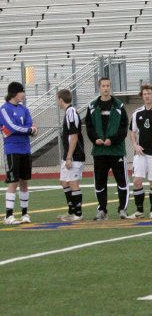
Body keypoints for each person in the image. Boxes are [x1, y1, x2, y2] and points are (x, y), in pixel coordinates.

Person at [87, 77, 130, 220]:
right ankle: (102, 210)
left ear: (111, 87)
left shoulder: (119, 106)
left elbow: (124, 128)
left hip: (116, 150)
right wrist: (95, 139)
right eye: (103, 85)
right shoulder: (92, 106)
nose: (105, 88)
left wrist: (112, 140)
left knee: (121, 181)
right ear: (99, 87)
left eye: (108, 85)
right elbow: (89, 128)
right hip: (99, 151)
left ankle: (122, 209)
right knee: (100, 182)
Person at [128, 84, 152, 219]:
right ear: (142, 96)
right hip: (140, 153)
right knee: (137, 181)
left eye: (149, 94)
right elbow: (132, 131)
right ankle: (139, 211)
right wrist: (135, 145)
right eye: (144, 94)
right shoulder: (137, 113)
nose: (147, 96)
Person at [2, 82, 35, 224]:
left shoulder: (24, 109)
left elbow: (30, 124)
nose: (24, 94)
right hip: (12, 150)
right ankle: (8, 215)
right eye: (22, 92)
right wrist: (28, 130)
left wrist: (29, 129)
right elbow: (11, 127)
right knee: (13, 182)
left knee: (24, 182)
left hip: (25, 149)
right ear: (15, 93)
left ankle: (24, 214)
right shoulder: (4, 109)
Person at [56, 89, 85, 222]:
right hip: (69, 155)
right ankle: (71, 211)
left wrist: (69, 156)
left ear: (61, 99)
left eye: (57, 100)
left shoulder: (71, 112)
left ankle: (78, 214)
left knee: (73, 183)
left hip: (74, 155)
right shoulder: (68, 112)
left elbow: (74, 135)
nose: (57, 102)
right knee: (64, 181)